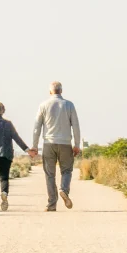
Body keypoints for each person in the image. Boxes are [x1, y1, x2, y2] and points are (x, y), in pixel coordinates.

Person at [31, 82, 82, 212]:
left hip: (48, 143)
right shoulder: (69, 105)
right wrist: (77, 145)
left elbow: (37, 127)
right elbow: (75, 126)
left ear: (50, 92)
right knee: (66, 171)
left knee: (50, 174)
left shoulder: (43, 105)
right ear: (61, 91)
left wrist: (35, 146)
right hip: (65, 143)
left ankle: (52, 204)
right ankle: (63, 190)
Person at [0, 102, 34, 212]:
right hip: (6, 155)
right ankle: (4, 192)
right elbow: (17, 138)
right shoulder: (8, 124)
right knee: (4, 177)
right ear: (3, 111)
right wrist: (27, 150)